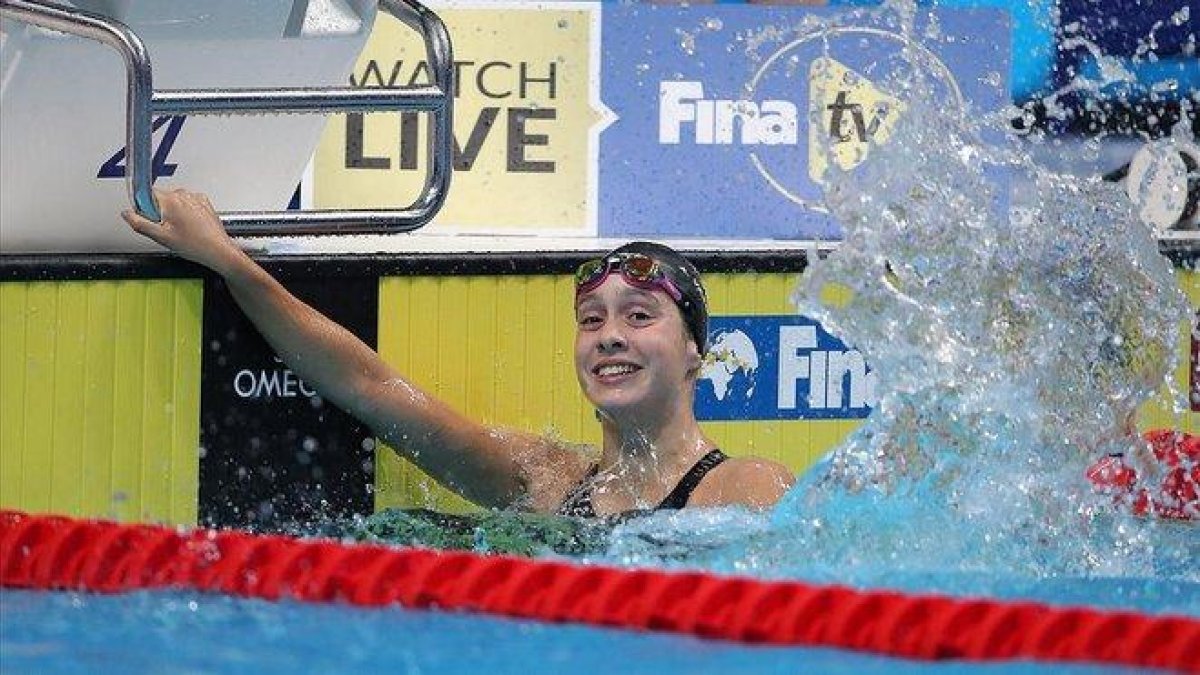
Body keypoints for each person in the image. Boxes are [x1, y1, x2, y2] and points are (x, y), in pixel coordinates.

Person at [123, 189, 795, 518]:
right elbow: (371, 386)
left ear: (694, 351)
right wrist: (231, 263)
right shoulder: (546, 479)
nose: (609, 335)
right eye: (591, 319)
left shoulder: (745, 487)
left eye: (639, 316)